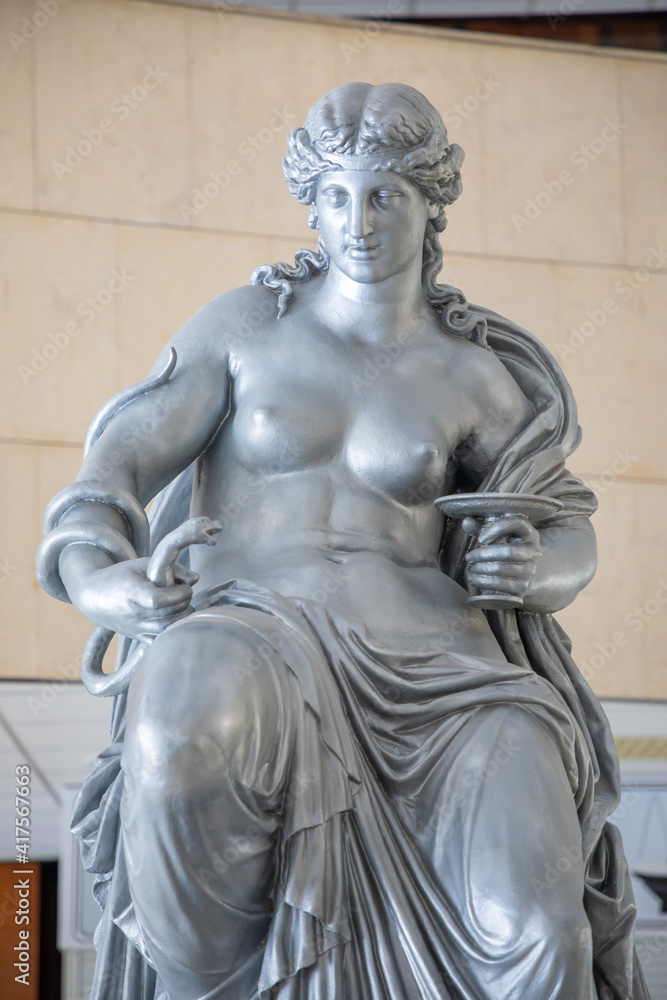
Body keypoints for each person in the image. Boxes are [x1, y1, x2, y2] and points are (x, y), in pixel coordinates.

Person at [37, 83, 647, 999]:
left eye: (381, 194)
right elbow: (113, 467)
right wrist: (97, 577)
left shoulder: (475, 373)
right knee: (184, 724)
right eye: (332, 195)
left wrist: (539, 567)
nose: (354, 222)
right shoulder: (245, 330)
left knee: (536, 926)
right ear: (309, 205)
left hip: (448, 681)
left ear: (429, 201)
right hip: (248, 631)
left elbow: (563, 529)